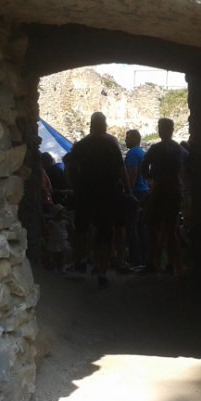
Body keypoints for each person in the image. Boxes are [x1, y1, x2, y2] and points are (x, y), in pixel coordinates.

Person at [65, 112, 134, 288]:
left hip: (85, 193)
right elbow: (121, 170)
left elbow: (70, 168)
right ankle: (102, 271)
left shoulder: (81, 145)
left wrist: (75, 187)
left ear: (91, 125)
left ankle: (81, 262)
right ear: (103, 125)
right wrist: (128, 191)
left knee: (82, 228)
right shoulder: (111, 146)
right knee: (104, 232)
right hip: (106, 194)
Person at [141, 118, 187, 275]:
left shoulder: (156, 148)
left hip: (159, 189)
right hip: (174, 189)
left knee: (154, 227)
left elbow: (144, 166)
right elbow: (188, 165)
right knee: (171, 229)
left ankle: (153, 262)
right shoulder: (179, 149)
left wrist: (150, 179)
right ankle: (174, 264)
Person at [123, 129, 149, 267]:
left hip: (136, 192)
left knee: (131, 227)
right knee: (141, 227)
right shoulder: (141, 152)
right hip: (144, 191)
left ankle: (135, 259)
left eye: (127, 137)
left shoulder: (132, 153)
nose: (125, 140)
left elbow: (132, 174)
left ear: (134, 138)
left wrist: (128, 192)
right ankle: (144, 257)